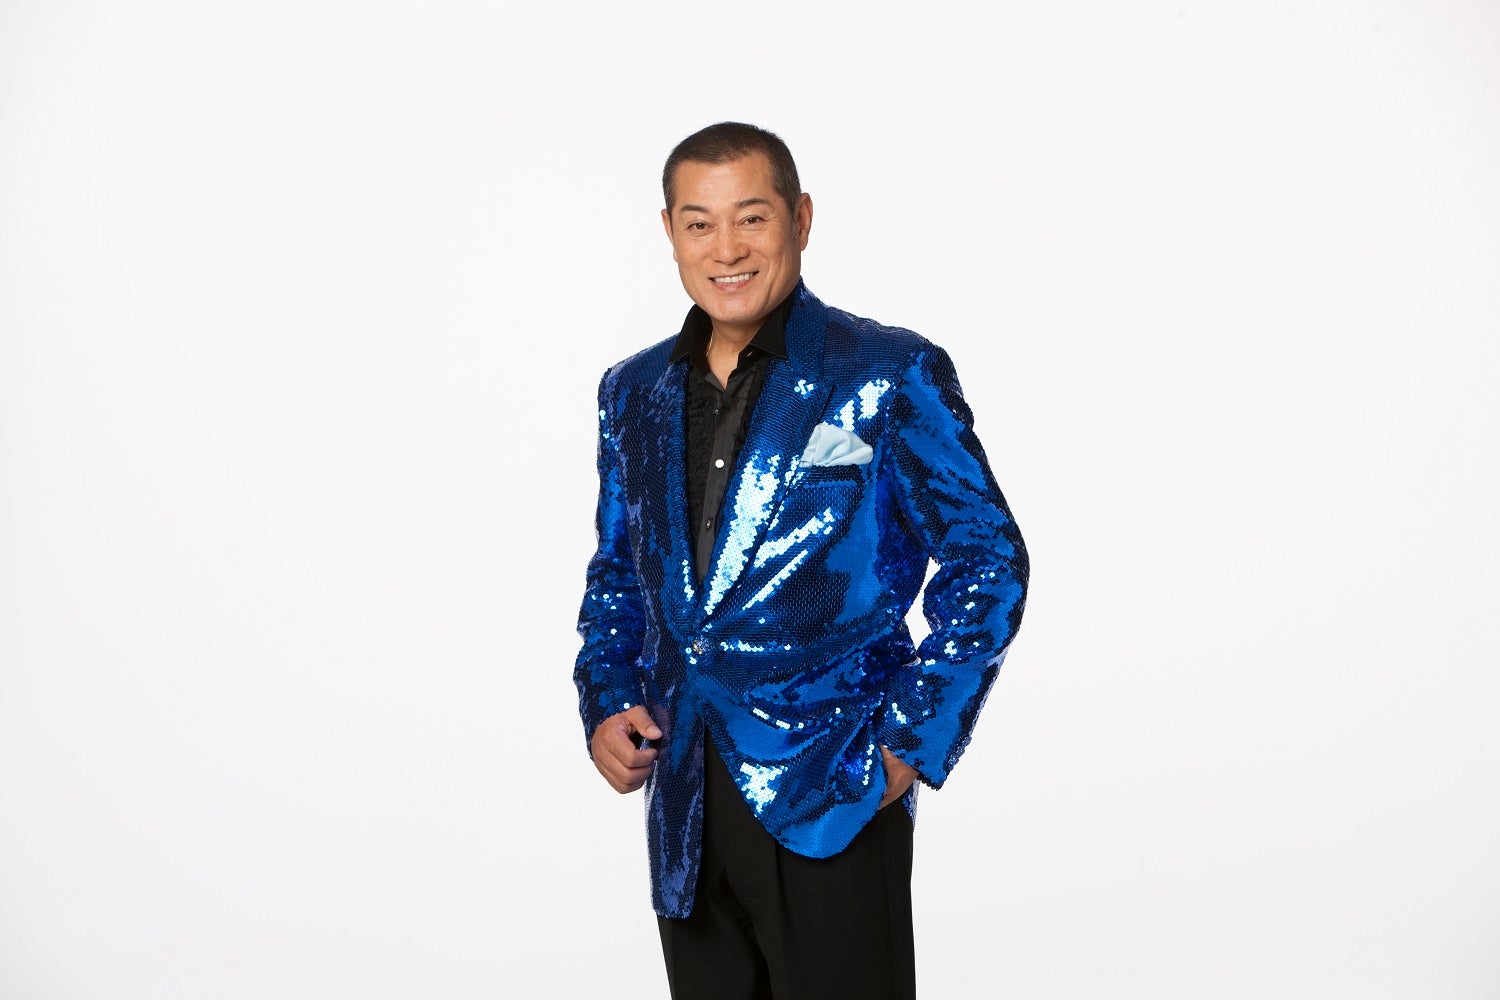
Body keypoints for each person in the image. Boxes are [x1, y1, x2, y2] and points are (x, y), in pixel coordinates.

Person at [574, 121, 1028, 1000]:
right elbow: (619, 572)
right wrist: (606, 696)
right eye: (700, 223)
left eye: (752, 218)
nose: (727, 249)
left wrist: (910, 740)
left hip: (836, 781)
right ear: (669, 232)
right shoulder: (632, 391)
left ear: (801, 218)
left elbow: (988, 560)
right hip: (684, 788)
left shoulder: (888, 371)